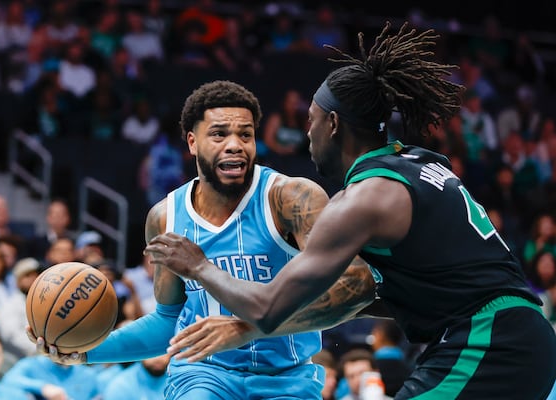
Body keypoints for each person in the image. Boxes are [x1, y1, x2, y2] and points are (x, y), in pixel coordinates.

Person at [151, 22, 556, 399]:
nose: (307, 134)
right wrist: (245, 330)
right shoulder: (419, 163)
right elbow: (355, 299)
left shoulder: (362, 200)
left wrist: (199, 265)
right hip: (518, 338)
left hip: (489, 342)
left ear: (332, 124)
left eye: (311, 122)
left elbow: (268, 307)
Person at [30, 80, 376, 399]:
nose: (235, 146)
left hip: (288, 377)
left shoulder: (290, 199)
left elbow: (355, 286)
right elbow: (169, 322)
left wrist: (249, 326)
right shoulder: (166, 218)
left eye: (245, 135)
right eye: (219, 134)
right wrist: (84, 349)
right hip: (203, 374)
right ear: (192, 142)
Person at [102, 354, 170, 400]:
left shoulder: (176, 381)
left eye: (163, 351)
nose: (158, 357)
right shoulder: (121, 386)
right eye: (153, 352)